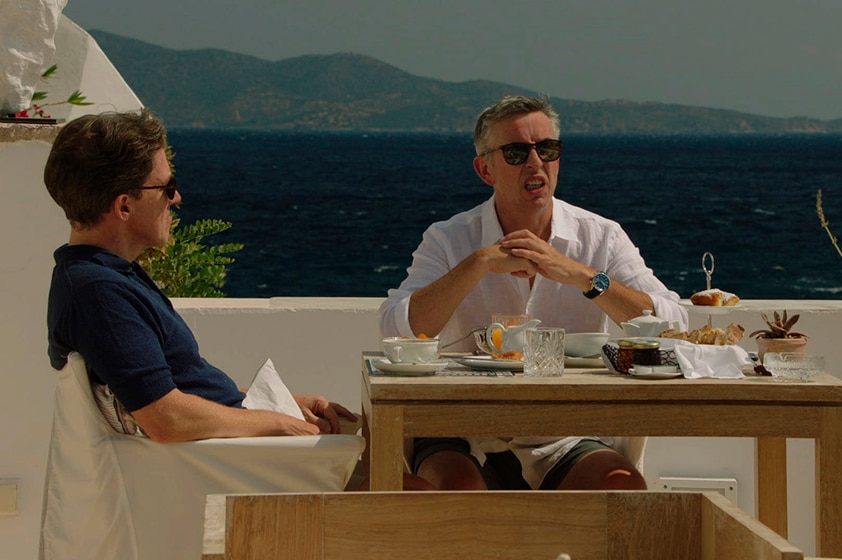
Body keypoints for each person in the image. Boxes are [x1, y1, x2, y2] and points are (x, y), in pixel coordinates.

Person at [379, 95, 688, 492]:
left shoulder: (600, 237)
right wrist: (477, 264)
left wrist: (582, 276)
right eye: (515, 152)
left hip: (564, 430)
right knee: (458, 494)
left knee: (622, 488)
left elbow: (673, 324)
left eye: (546, 149)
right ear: (484, 169)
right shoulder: (449, 239)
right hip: (463, 426)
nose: (535, 162)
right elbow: (396, 329)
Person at [44, 109, 357, 443]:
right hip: (243, 466)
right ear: (124, 206)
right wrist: (283, 424)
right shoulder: (100, 295)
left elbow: (184, 389)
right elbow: (167, 418)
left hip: (239, 455)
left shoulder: (107, 278)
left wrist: (288, 405)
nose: (176, 198)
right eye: (167, 187)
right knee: (406, 481)